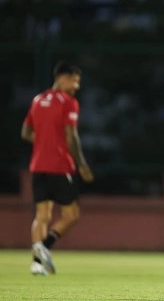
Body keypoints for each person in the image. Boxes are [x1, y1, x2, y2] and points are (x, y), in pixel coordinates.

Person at [21, 60, 94, 276]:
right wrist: (81, 165)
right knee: (71, 214)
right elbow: (72, 137)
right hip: (60, 167)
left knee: (42, 215)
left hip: (37, 166)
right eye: (74, 81)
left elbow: (25, 133)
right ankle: (45, 246)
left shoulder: (37, 100)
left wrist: (44, 143)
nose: (76, 86)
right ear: (62, 79)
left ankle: (36, 263)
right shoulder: (68, 102)